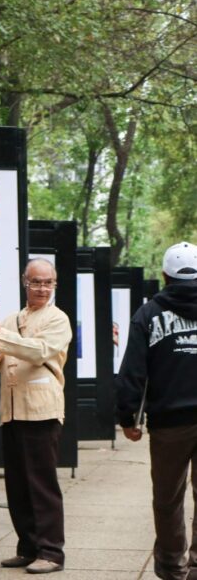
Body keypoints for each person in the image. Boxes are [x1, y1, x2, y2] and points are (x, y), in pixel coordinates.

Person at [0, 258, 72, 574]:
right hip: (12, 408)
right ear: (24, 282)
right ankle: (28, 547)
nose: (42, 288)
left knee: (42, 484)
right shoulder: (13, 319)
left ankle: (52, 552)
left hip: (41, 409)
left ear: (54, 285)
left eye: (47, 283)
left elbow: (39, 352)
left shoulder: (58, 319)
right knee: (17, 485)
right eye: (36, 282)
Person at [116, 242, 197, 580]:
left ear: (164, 276)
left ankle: (171, 567)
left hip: (168, 424)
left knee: (167, 499)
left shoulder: (148, 314)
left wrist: (128, 418)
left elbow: (133, 371)